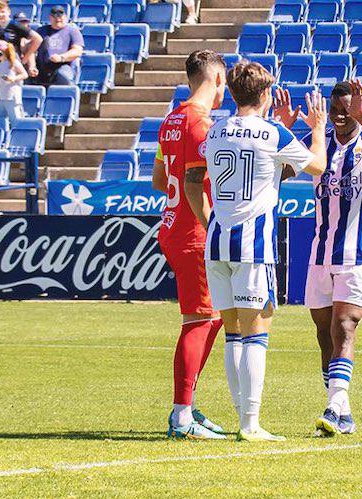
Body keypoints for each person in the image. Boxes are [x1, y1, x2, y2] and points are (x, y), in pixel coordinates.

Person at [273, 80, 362, 436]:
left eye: (347, 110)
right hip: (320, 254)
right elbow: (281, 171)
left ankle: (333, 407)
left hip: (357, 254)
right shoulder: (320, 144)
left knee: (344, 326)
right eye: (335, 110)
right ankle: (342, 410)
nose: (340, 116)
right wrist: (284, 129)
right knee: (323, 334)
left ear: (357, 110)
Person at [204, 62, 328, 442]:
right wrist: (316, 129)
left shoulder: (215, 130)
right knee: (256, 333)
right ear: (265, 95)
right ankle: (250, 423)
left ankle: (242, 417)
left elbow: (262, 169)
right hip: (253, 245)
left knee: (233, 334)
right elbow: (318, 165)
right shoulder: (273, 132)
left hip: (217, 241)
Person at [152, 50, 226, 440]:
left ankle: (189, 405)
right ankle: (181, 415)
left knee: (211, 317)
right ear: (215, 78)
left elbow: (158, 180)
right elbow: (195, 186)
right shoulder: (201, 125)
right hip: (194, 232)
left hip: (173, 224)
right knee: (199, 319)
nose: (224, 91)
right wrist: (212, 224)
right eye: (223, 83)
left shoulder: (171, 121)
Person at [0, 0, 42, 84]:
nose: (0, 15)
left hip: (13, 66)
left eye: (3, 12)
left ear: (8, 12)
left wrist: (25, 59)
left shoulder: (15, 25)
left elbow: (38, 39)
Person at [35, 5, 84, 86]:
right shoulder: (41, 31)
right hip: (41, 67)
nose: (58, 19)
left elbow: (77, 51)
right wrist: (32, 66)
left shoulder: (72, 31)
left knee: (63, 76)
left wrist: (61, 57)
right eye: (54, 16)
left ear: (65, 17)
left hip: (63, 66)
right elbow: (32, 49)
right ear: (50, 17)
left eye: (60, 16)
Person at [0, 40, 27, 119]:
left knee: (16, 120)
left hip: (12, 98)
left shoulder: (14, 63)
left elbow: (24, 74)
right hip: (0, 98)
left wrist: (14, 78)